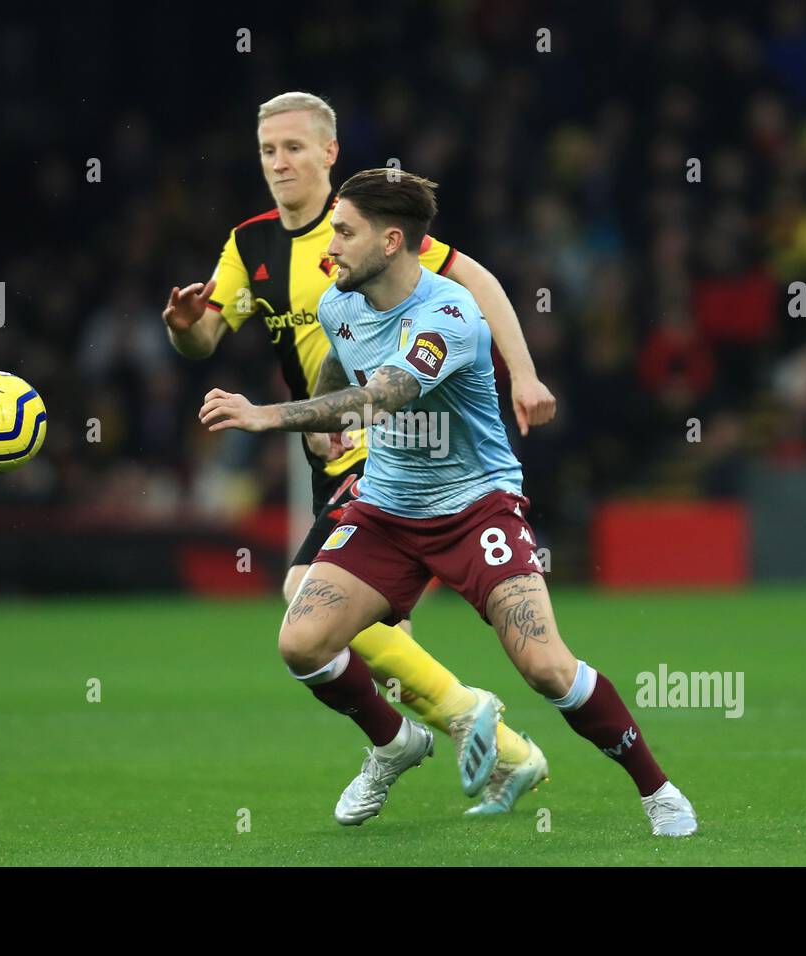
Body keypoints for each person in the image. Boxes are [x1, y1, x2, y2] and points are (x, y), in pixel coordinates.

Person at [199, 169, 697, 835]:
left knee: (547, 670)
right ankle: (396, 742)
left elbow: (385, 395)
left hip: (476, 510)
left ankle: (658, 791)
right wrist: (323, 421)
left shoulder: (450, 316)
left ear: (391, 241)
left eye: (344, 233)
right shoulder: (338, 303)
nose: (331, 247)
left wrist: (270, 416)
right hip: (385, 512)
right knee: (302, 641)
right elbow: (340, 368)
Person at [166, 92, 556, 811]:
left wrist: (525, 373)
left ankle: (438, 736)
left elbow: (482, 284)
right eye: (267, 151)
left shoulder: (366, 229)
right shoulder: (249, 245)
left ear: (328, 154)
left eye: (293, 148)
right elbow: (203, 340)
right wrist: (185, 327)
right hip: (325, 451)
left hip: (389, 449)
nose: (279, 162)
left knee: (302, 598)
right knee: (379, 636)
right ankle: (488, 755)